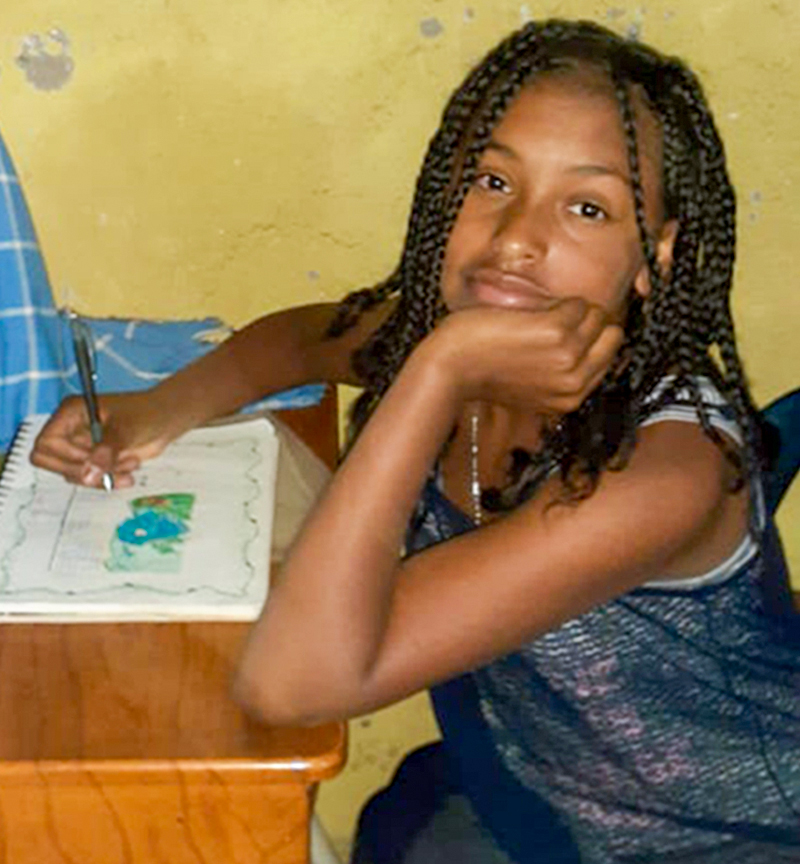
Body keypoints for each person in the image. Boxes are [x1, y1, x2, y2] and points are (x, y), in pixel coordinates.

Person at [31, 18, 800, 864]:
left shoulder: (665, 471)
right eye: (490, 180)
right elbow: (295, 340)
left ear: (654, 256)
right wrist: (158, 410)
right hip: (531, 793)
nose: (515, 238)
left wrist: (437, 373)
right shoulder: (455, 339)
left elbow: (292, 684)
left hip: (725, 839)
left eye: (587, 207)